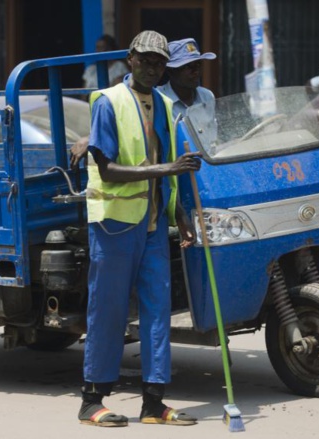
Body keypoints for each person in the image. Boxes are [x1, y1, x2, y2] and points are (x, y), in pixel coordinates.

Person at [78, 30, 202, 428]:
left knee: (156, 313)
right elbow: (108, 170)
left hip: (151, 226)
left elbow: (170, 163)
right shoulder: (108, 102)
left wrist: (179, 213)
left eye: (159, 62)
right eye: (146, 60)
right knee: (109, 311)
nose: (152, 68)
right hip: (114, 225)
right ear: (130, 59)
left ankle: (153, 403)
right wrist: (167, 169)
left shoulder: (165, 105)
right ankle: (91, 401)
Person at [71, 38, 217, 167]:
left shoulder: (207, 96)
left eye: (198, 65)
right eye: (188, 67)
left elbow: (216, 139)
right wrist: (90, 138)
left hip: (208, 171)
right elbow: (128, 123)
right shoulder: (159, 99)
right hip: (176, 173)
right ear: (171, 71)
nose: (195, 71)